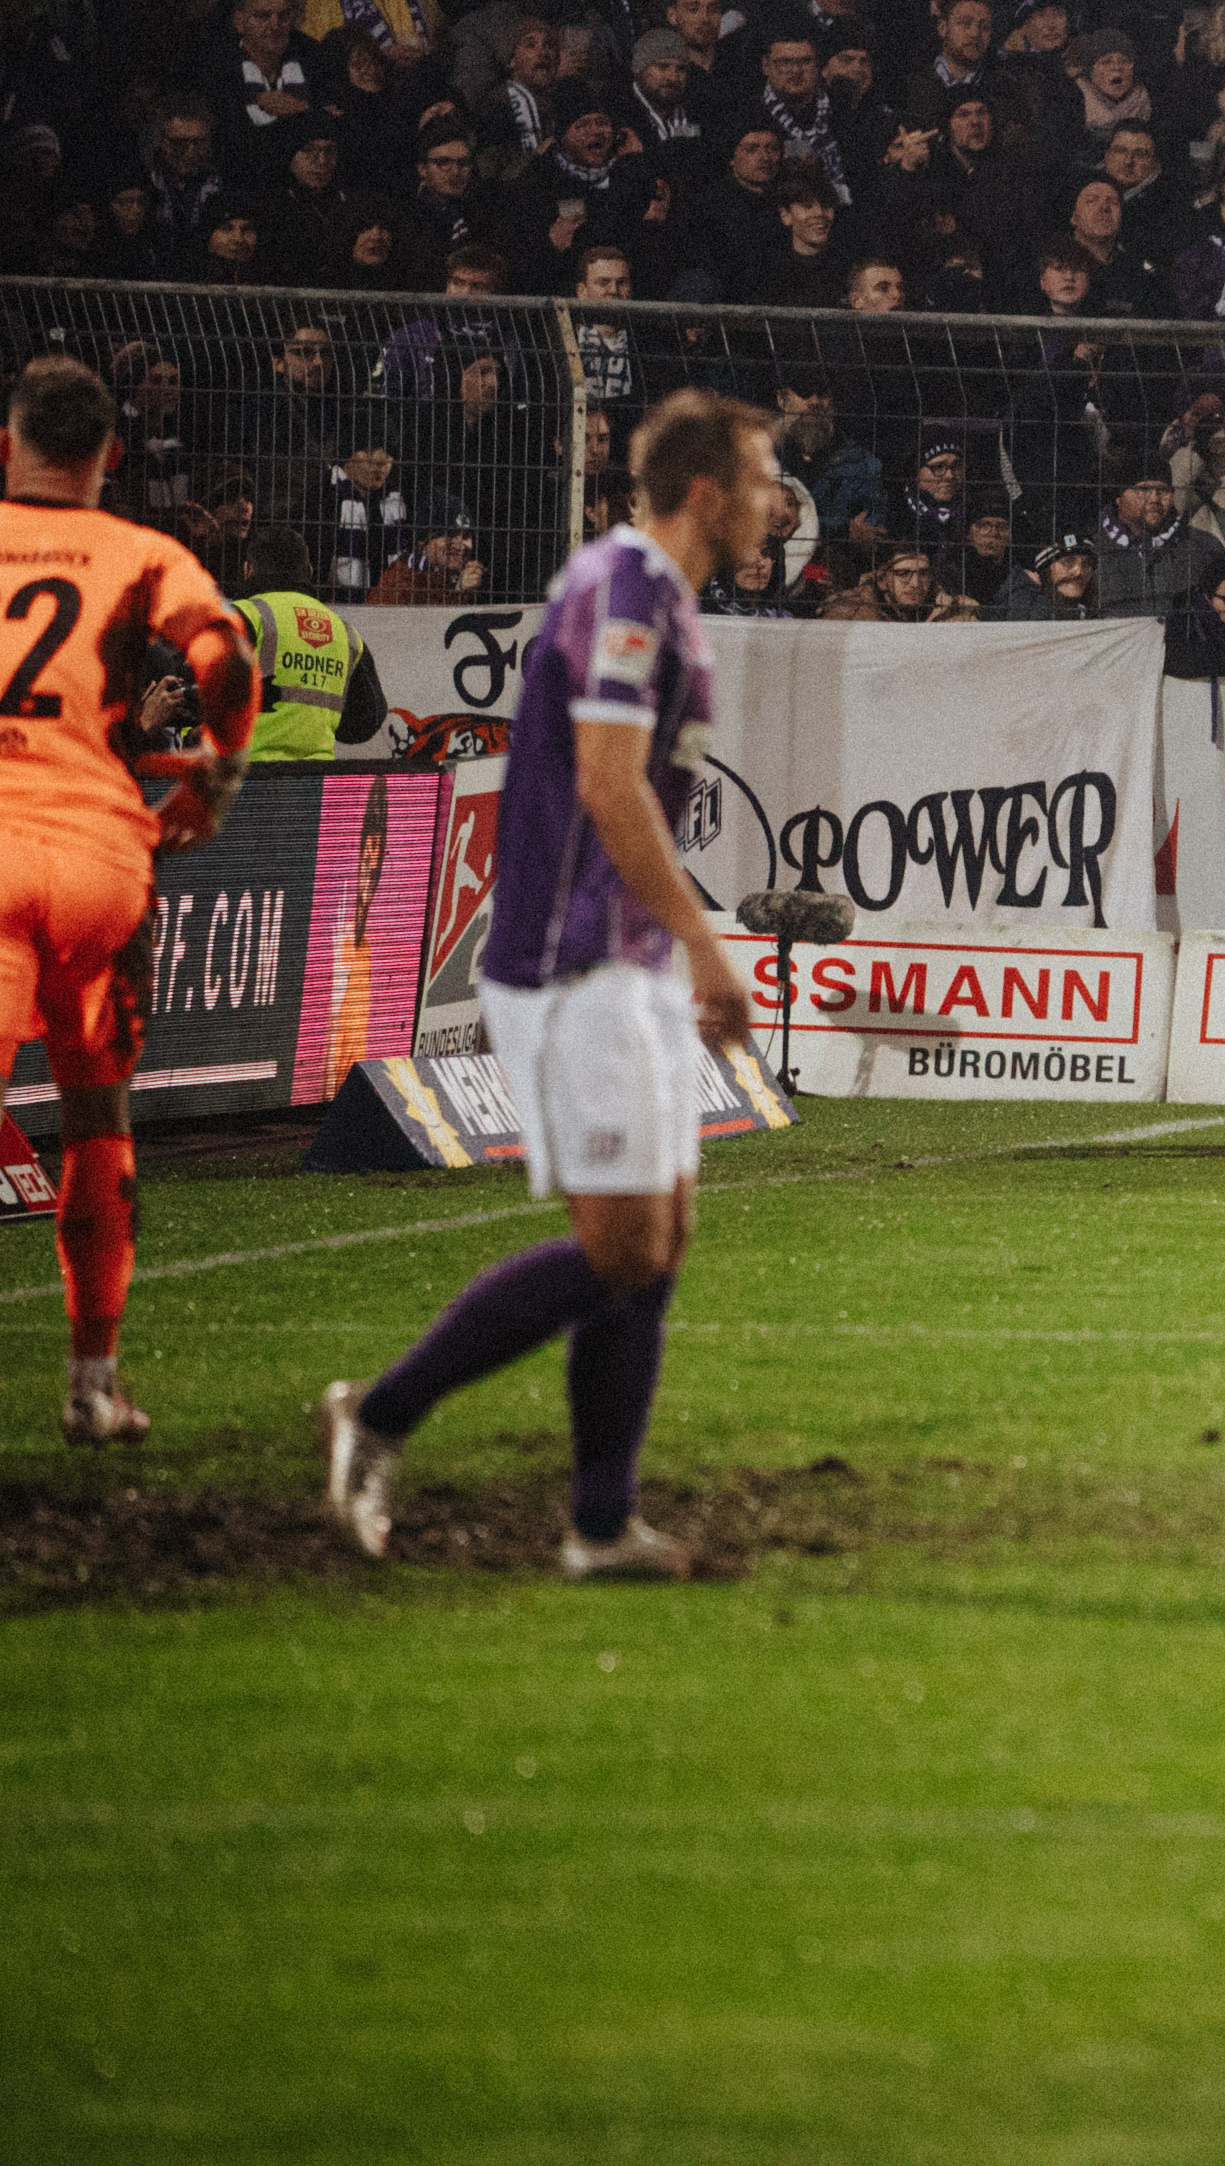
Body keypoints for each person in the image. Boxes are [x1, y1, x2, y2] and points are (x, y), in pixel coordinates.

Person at [319, 390, 781, 1573]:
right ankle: (380, 1415)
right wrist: (703, 939)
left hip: (622, 959)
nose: (781, 501)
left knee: (658, 1239)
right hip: (574, 962)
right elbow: (608, 784)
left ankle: (601, 1526)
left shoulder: (660, 597)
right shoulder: (623, 589)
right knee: (623, 1247)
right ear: (705, 491)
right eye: (766, 477)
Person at [0, 361, 258, 1445]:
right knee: (96, 1118)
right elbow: (225, 653)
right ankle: (94, 1383)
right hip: (103, 862)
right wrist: (214, 772)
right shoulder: (144, 553)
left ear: (9, 442)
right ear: (110, 456)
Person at [231, 582, 388, 762]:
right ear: (310, 570)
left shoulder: (242, 614)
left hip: (245, 775)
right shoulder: (344, 631)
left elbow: (199, 687)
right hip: (313, 778)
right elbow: (368, 719)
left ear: (247, 569)